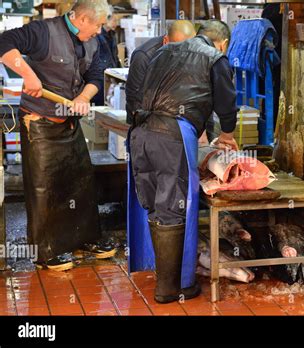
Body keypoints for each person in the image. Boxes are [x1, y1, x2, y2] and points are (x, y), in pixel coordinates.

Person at [0, 0, 116, 271]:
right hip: (40, 123)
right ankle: (46, 251)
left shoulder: (93, 42)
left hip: (69, 123)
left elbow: (96, 75)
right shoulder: (43, 31)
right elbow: (3, 42)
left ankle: (84, 239)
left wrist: (83, 97)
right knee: (45, 188)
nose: (100, 31)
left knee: (79, 183)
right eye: (97, 25)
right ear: (82, 19)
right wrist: (28, 75)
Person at [129, 20, 239, 304]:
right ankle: (171, 288)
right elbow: (226, 102)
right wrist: (227, 133)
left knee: (157, 204)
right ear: (223, 43)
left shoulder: (163, 52)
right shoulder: (215, 58)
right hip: (171, 136)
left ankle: (165, 279)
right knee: (175, 206)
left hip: (141, 132)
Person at [125, 20, 196, 125]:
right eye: (178, 48)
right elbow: (135, 97)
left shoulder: (194, 51)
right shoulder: (144, 56)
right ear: (166, 40)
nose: (183, 54)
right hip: (146, 118)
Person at [91, 5, 121, 106]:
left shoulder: (112, 35)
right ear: (106, 19)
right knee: (99, 101)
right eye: (114, 20)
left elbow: (115, 55)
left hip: (111, 74)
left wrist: (119, 71)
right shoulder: (96, 35)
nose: (116, 23)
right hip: (100, 74)